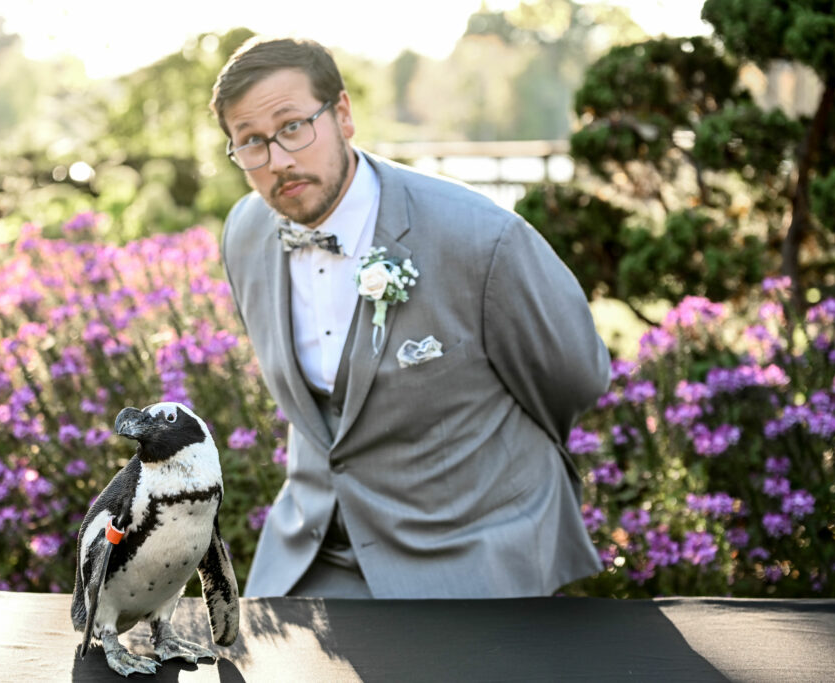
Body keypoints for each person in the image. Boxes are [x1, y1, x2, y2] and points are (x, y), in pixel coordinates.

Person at [210, 37, 611, 599]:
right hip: (313, 555)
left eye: (294, 126)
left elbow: (575, 375)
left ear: (343, 115)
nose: (278, 159)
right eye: (250, 142)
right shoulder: (246, 233)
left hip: (470, 548)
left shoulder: (479, 237)